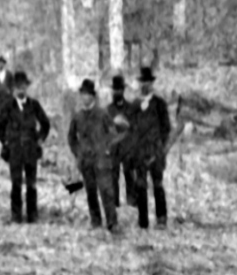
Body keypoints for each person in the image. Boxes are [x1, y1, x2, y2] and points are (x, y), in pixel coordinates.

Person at [0, 70, 51, 223]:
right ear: (13, 88)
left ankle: (32, 216)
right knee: (16, 184)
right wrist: (6, 142)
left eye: (23, 86)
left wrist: (39, 139)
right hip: (15, 151)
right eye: (18, 87)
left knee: (31, 185)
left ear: (27, 87)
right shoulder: (8, 106)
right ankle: (16, 216)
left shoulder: (34, 105)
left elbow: (45, 124)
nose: (21, 89)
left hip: (31, 150)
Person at [122, 66, 171, 229]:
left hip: (155, 150)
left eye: (148, 82)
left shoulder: (159, 104)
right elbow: (129, 128)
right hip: (139, 151)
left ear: (152, 84)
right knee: (140, 185)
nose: (145, 85)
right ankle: (143, 221)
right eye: (143, 82)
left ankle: (161, 218)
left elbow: (166, 128)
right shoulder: (135, 105)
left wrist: (160, 147)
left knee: (157, 184)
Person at [68, 79, 118, 232]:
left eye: (88, 94)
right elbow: (71, 138)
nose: (85, 97)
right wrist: (79, 153)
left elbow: (113, 135)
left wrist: (107, 151)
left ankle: (112, 223)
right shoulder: (77, 116)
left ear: (93, 97)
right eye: (82, 94)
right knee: (91, 192)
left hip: (102, 161)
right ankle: (95, 221)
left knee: (106, 191)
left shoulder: (102, 114)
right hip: (86, 161)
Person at [108, 74, 135, 208]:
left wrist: (125, 124)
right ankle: (114, 202)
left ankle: (131, 200)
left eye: (119, 89)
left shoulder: (130, 108)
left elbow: (135, 127)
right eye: (114, 89)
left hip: (128, 147)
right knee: (113, 175)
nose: (116, 92)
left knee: (129, 173)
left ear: (123, 91)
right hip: (114, 148)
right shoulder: (108, 109)